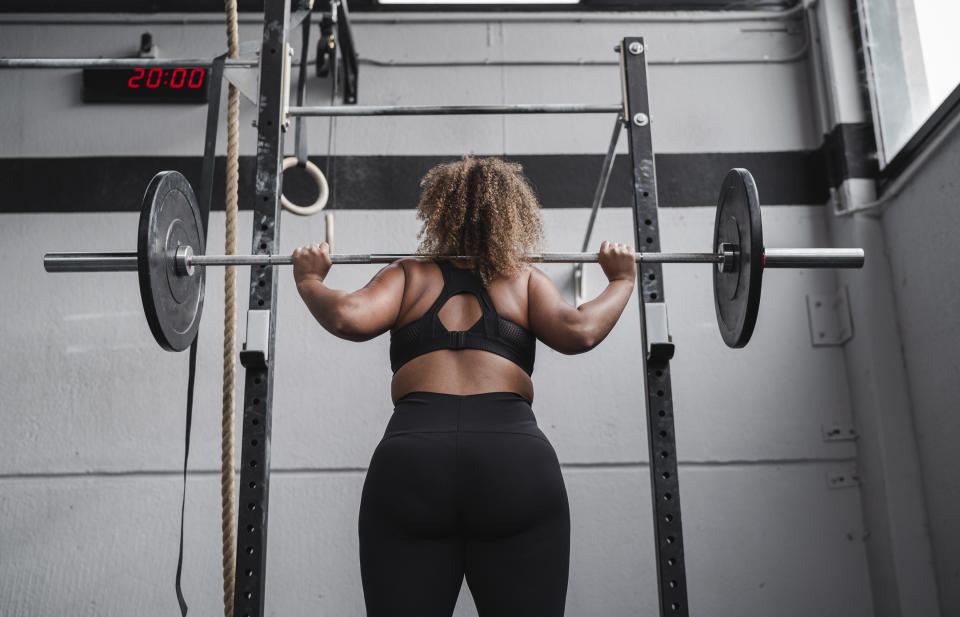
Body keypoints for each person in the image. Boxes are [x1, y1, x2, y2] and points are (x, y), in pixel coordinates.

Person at [292, 155, 636, 617]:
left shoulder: (409, 275)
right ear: (514, 214)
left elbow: (348, 317)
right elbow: (580, 332)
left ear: (440, 212)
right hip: (512, 461)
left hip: (413, 462)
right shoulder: (523, 279)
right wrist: (623, 278)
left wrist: (310, 278)